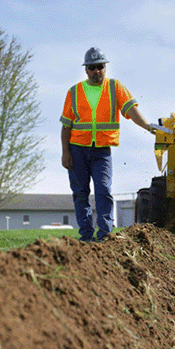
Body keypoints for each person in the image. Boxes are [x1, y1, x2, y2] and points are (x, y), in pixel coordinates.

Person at [60, 47, 154, 242]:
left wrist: (147, 126)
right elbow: (66, 127)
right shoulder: (74, 91)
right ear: (86, 70)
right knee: (80, 194)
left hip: (102, 152)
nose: (97, 71)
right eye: (93, 68)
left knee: (104, 191)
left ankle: (104, 235)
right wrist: (65, 153)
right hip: (77, 150)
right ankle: (86, 236)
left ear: (105, 68)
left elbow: (131, 110)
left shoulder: (115, 87)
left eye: (100, 67)